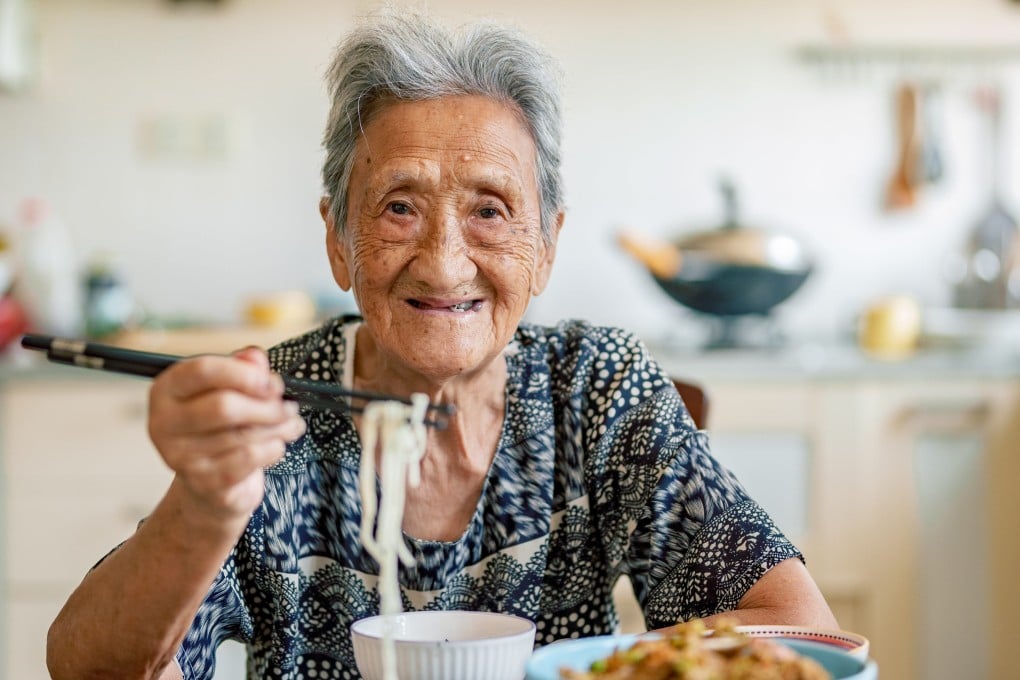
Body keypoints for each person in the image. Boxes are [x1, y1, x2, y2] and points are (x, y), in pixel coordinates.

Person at [46, 9, 836, 680]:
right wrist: (203, 503)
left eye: (490, 210)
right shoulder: (276, 410)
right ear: (338, 237)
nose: (445, 261)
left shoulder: (596, 389)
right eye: (398, 208)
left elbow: (799, 631)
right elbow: (89, 667)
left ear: (548, 244)